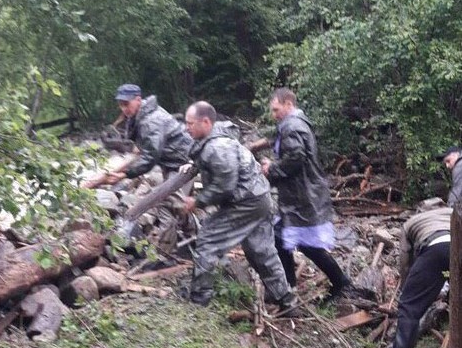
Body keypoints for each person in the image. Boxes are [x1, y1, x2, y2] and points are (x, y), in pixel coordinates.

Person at [181, 100, 299, 314]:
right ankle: (286, 299)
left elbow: (225, 186)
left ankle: (199, 300)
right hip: (259, 198)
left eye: (190, 123)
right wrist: (194, 165)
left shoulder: (217, 147)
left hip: (246, 202)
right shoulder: (217, 138)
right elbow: (214, 163)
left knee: (207, 239)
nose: (186, 127)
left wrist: (197, 201)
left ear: (205, 122)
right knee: (261, 251)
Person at [260, 88, 351, 302]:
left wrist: (272, 168)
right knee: (282, 239)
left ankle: (339, 282)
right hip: (301, 194)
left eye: (276, 110)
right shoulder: (296, 124)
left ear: (288, 104)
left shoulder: (292, 126)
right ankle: (288, 286)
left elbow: (296, 157)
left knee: (303, 244)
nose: (274, 115)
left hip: (303, 196)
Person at [371, 206, 451, 348]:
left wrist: (408, 289)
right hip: (455, 247)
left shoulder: (410, 223)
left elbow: (405, 260)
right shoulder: (451, 211)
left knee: (409, 307)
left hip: (437, 248)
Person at [92, 84, 193, 186]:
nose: (123, 109)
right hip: (172, 161)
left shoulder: (151, 121)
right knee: (168, 196)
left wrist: (125, 174)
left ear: (138, 100)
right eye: (121, 105)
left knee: (170, 196)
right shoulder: (142, 114)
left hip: (186, 161)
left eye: (126, 104)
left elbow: (151, 156)